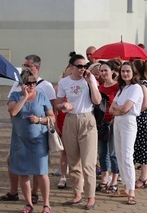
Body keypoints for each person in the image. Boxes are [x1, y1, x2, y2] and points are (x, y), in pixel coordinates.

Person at [1, 54, 56, 206]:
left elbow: (52, 117)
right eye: (28, 83)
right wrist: (24, 97)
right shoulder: (15, 95)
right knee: (23, 173)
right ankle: (28, 204)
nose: (32, 86)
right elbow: (13, 112)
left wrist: (39, 120)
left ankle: (45, 203)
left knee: (41, 172)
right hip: (20, 140)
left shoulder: (43, 95)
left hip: (39, 140)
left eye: (34, 83)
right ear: (22, 83)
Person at [56, 53, 101, 210]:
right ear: (72, 67)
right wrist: (63, 106)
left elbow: (97, 100)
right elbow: (58, 102)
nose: (83, 69)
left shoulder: (89, 79)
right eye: (79, 66)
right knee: (73, 160)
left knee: (88, 162)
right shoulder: (64, 82)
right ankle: (77, 194)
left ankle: (91, 197)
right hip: (70, 119)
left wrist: (90, 82)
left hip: (87, 119)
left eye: (84, 66)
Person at [109, 62, 144, 205]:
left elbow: (125, 108)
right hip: (118, 121)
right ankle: (125, 187)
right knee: (120, 155)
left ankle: (132, 192)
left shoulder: (136, 88)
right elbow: (112, 109)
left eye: (127, 71)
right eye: (123, 71)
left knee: (127, 157)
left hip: (128, 122)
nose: (125, 74)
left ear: (133, 72)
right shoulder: (122, 89)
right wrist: (119, 108)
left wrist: (119, 108)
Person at [96, 61, 119, 194]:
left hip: (113, 123)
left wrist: (115, 119)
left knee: (113, 153)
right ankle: (104, 178)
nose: (104, 73)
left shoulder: (118, 87)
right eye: (102, 71)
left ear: (112, 72)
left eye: (106, 70)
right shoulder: (99, 87)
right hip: (101, 123)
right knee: (102, 152)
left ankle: (114, 179)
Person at [133, 60, 147, 187]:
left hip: (143, 119)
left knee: (144, 149)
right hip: (142, 119)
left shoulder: (143, 84)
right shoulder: (141, 83)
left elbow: (145, 105)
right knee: (140, 149)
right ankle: (142, 177)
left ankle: (143, 177)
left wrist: (131, 110)